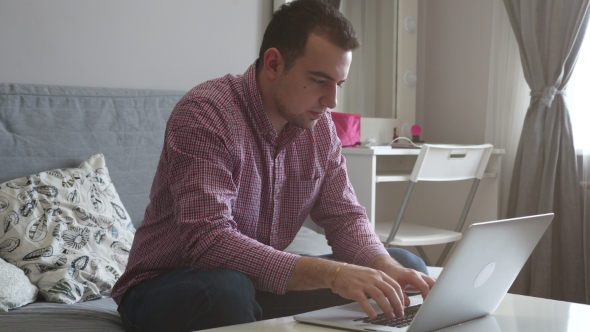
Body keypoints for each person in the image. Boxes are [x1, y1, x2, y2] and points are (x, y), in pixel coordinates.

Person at [112, 0, 435, 331]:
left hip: (257, 285)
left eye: (338, 84)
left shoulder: (319, 127)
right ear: (273, 64)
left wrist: (381, 264)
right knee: (226, 291)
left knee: (403, 269)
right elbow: (208, 240)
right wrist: (332, 274)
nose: (331, 101)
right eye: (319, 80)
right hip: (166, 285)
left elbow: (344, 217)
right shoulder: (205, 115)